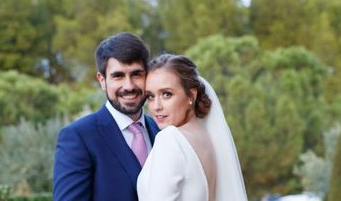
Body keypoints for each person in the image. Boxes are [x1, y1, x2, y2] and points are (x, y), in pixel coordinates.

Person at [53, 32, 160, 201]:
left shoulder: (160, 131)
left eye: (136, 74)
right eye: (118, 76)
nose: (129, 86)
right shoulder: (79, 137)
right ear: (102, 80)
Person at [137, 54, 248, 201]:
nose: (156, 106)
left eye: (166, 94)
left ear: (191, 95)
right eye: (150, 96)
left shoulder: (170, 139)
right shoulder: (208, 137)